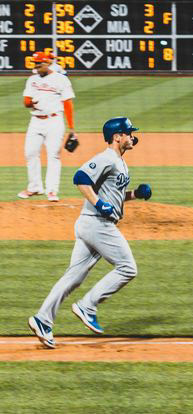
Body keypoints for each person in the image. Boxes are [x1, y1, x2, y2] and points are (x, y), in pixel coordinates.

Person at [28, 117, 152, 349]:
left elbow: (113, 197)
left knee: (73, 277)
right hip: (98, 224)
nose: (132, 136)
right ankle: (87, 306)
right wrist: (98, 203)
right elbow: (80, 178)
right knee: (128, 268)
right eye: (128, 133)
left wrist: (135, 194)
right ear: (117, 137)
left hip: (91, 224)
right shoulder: (107, 158)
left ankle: (42, 320)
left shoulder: (119, 161)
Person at [18, 50, 76, 202]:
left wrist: (72, 129)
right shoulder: (32, 79)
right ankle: (34, 187)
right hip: (35, 121)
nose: (37, 66)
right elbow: (26, 101)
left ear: (48, 63)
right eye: (35, 64)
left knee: (53, 155)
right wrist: (30, 103)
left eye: (39, 64)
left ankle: (51, 191)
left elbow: (68, 103)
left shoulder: (61, 79)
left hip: (54, 121)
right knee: (30, 153)